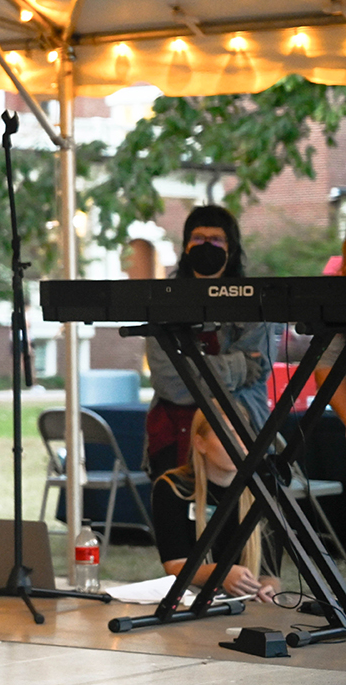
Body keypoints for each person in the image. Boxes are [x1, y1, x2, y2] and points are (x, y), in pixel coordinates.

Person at [145, 205, 274, 479]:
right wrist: (238, 367)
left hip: (238, 436)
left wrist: (190, 367)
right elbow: (169, 383)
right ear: (186, 246)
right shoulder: (163, 302)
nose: (206, 246)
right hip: (172, 438)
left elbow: (258, 368)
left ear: (232, 248)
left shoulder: (255, 304)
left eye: (216, 240)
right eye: (198, 239)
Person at [151, 408, 280, 602]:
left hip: (246, 605)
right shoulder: (173, 488)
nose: (237, 443)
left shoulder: (262, 491)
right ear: (200, 443)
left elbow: (271, 574)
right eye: (227, 435)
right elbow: (175, 564)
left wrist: (268, 591)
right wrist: (221, 573)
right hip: (192, 600)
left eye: (242, 434)